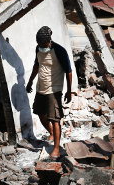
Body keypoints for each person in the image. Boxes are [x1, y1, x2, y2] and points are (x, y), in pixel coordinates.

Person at [26, 26, 73, 160]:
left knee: (55, 119)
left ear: (50, 41)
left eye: (44, 45)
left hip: (54, 89)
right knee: (40, 114)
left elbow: (68, 71)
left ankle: (57, 148)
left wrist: (69, 91)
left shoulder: (59, 51)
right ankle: (52, 133)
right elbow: (37, 65)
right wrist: (30, 82)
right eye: (39, 45)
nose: (42, 47)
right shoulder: (38, 49)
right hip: (41, 88)